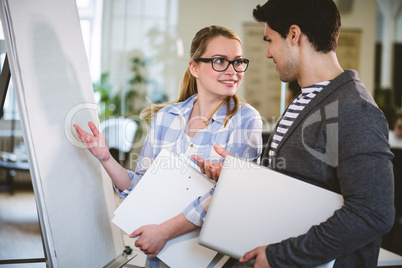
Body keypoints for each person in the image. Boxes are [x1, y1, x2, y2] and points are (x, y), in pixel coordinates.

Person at [192, 1, 395, 267]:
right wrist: (240, 176)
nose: (267, 53)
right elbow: (294, 181)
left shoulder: (355, 109)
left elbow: (373, 213)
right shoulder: (306, 99)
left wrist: (280, 257)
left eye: (270, 40)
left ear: (294, 35)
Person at [73, 25, 262, 267]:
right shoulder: (167, 117)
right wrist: (106, 158)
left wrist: (163, 232)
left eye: (238, 62)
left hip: (209, 260)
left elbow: (228, 198)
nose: (232, 71)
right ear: (194, 67)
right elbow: (140, 187)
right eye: (219, 61)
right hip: (161, 256)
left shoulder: (246, 120)